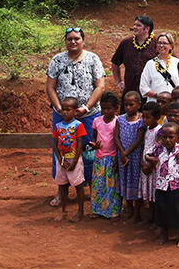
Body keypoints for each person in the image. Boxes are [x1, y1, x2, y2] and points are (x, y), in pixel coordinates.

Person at [46, 27, 105, 205]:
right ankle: (61, 191)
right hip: (62, 117)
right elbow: (50, 86)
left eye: (76, 39)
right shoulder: (57, 60)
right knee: (62, 148)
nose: (73, 42)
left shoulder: (93, 59)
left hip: (88, 115)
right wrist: (60, 109)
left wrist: (86, 108)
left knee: (89, 149)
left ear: (83, 40)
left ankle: (91, 188)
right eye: (69, 39)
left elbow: (100, 86)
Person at [144, 122, 179, 247]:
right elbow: (146, 155)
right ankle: (164, 235)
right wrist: (151, 159)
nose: (168, 140)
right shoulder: (157, 148)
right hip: (161, 186)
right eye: (164, 137)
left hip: (177, 186)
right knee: (162, 210)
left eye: (171, 137)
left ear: (177, 137)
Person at [52, 97, 88, 223]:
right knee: (62, 186)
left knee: (78, 185)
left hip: (74, 160)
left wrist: (74, 162)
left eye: (68, 110)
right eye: (63, 110)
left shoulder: (78, 125)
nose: (65, 112)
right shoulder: (58, 126)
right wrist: (61, 160)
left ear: (75, 111)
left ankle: (80, 211)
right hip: (61, 160)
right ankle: (63, 211)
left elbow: (79, 144)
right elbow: (55, 144)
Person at [111, 15, 157, 112]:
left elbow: (171, 59)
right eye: (134, 24)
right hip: (129, 92)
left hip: (149, 93)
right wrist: (118, 82)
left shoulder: (157, 44)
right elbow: (115, 63)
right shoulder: (126, 43)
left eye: (138, 25)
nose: (134, 27)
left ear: (147, 29)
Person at [90, 92, 122, 220]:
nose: (105, 111)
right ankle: (97, 209)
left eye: (109, 108)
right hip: (99, 158)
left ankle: (113, 211)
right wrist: (94, 145)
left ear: (116, 108)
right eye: (103, 108)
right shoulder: (96, 121)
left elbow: (119, 140)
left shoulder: (118, 121)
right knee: (98, 184)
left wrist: (117, 160)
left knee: (112, 186)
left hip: (112, 157)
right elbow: (94, 137)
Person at [115, 90, 145, 222]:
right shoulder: (120, 119)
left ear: (138, 104)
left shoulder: (141, 121)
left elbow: (138, 139)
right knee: (124, 180)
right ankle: (129, 211)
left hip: (134, 157)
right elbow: (116, 137)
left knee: (135, 182)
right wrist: (122, 152)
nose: (128, 107)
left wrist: (126, 153)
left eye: (131, 105)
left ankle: (137, 213)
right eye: (126, 105)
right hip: (123, 156)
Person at [138, 101, 162, 224]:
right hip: (145, 166)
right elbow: (143, 146)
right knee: (148, 193)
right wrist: (142, 164)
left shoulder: (159, 131)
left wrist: (149, 166)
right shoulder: (146, 130)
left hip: (153, 168)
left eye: (148, 117)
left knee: (154, 195)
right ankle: (150, 216)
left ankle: (155, 218)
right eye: (143, 116)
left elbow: (159, 151)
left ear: (157, 118)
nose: (144, 120)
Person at [139, 32, 179, 100]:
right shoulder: (150, 64)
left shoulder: (177, 62)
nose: (161, 45)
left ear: (171, 46)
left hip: (172, 105)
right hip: (155, 104)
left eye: (164, 43)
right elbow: (143, 88)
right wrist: (158, 96)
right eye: (159, 43)